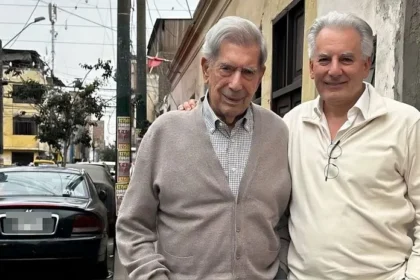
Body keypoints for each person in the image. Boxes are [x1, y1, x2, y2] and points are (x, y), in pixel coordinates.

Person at [179, 11, 420, 280]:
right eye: (324, 59)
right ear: (311, 68)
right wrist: (194, 113)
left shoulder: (406, 124)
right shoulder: (289, 125)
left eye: (347, 59)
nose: (334, 70)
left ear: (367, 64)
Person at [116, 16, 292, 280]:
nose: (236, 83)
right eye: (226, 69)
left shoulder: (279, 134)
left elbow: (288, 219)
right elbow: (132, 226)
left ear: (261, 76)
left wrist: (282, 270)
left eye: (248, 72)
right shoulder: (165, 133)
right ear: (206, 68)